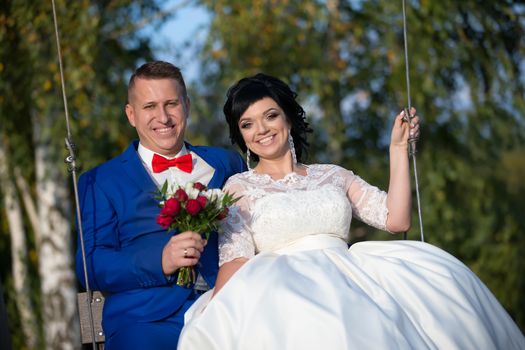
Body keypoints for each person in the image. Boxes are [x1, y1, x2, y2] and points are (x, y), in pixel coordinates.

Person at [177, 73, 525, 349]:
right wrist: (216, 311)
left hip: (353, 282)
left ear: (288, 118)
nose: (261, 130)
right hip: (284, 297)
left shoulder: (332, 174)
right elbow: (236, 260)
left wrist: (398, 149)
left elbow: (395, 219)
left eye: (270, 115)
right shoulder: (239, 187)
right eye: (247, 124)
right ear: (241, 135)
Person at [75, 61, 246, 349]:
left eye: (171, 104)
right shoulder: (100, 181)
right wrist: (160, 261)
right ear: (131, 115)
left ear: (187, 106)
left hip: (225, 310)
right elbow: (90, 265)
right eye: (149, 106)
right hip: (146, 322)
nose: (163, 117)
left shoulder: (227, 163)